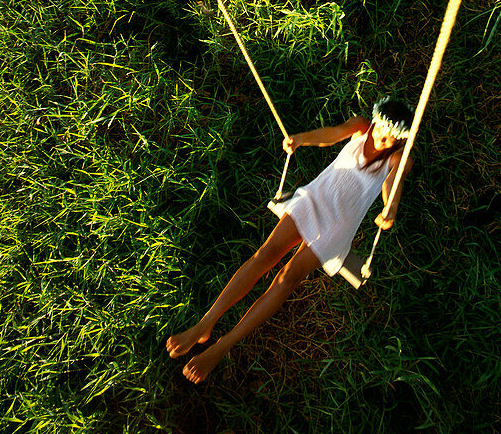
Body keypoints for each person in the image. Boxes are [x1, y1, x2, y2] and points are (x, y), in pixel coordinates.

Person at [166, 96, 415, 384]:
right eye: (381, 133)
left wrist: (390, 210)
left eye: (390, 140)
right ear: (374, 122)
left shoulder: (399, 158)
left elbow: (391, 184)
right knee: (265, 254)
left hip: (336, 227)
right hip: (314, 199)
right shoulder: (361, 127)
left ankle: (223, 346)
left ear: (401, 141)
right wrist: (301, 139)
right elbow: (331, 134)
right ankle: (205, 324)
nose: (382, 141)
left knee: (286, 278)